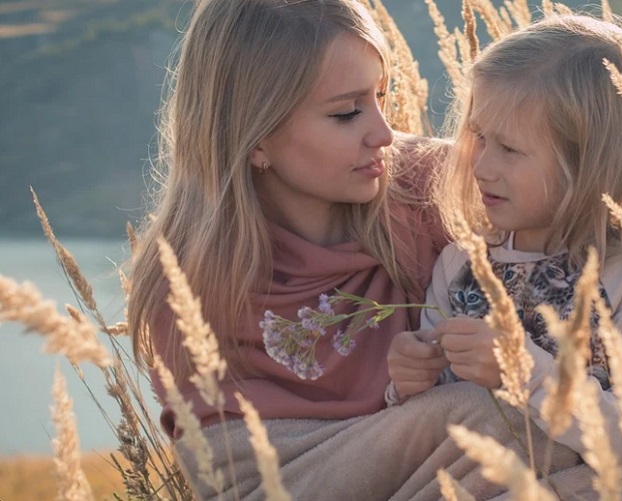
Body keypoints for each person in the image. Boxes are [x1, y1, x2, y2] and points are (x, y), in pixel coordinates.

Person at [127, 1, 579, 500]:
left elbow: (592, 248)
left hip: (453, 462)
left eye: (382, 97)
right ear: (254, 136)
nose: (384, 133)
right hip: (284, 477)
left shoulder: (429, 188)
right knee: (489, 423)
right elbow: (231, 477)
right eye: (346, 113)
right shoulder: (190, 280)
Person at [385, 13, 622, 497]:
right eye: (478, 137)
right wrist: (407, 383)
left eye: (509, 148)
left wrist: (527, 372)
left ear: (588, 162)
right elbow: (432, 428)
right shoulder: (463, 265)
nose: (481, 164)